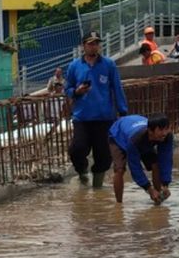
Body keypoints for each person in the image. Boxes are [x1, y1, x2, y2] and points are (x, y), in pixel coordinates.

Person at [64, 31, 129, 188]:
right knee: (77, 149)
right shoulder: (74, 66)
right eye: (91, 43)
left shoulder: (108, 64)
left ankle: (97, 188)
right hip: (82, 118)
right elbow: (67, 89)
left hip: (105, 118)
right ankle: (82, 173)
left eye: (97, 43)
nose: (94, 47)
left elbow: (116, 88)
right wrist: (77, 92)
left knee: (104, 156)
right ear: (83, 46)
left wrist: (123, 111)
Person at [108, 113, 173, 204]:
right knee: (119, 169)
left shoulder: (167, 136)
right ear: (150, 131)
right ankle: (119, 204)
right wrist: (148, 189)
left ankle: (158, 197)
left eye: (167, 129)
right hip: (118, 136)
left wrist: (165, 184)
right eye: (161, 130)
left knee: (156, 164)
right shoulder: (135, 140)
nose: (164, 133)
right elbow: (135, 167)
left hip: (143, 138)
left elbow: (166, 159)